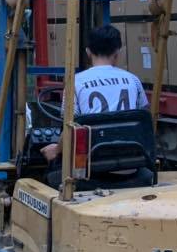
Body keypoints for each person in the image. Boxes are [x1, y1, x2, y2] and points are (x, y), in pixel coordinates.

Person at [41, 25, 147, 162]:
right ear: (117, 52)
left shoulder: (75, 83)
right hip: (131, 160)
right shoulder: (133, 80)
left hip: (92, 163)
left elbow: (70, 129)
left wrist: (56, 150)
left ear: (88, 52)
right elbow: (143, 117)